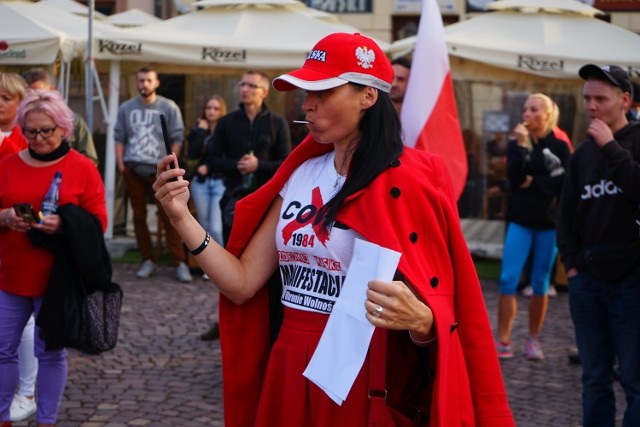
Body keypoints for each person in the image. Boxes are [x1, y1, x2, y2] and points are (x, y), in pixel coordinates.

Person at [154, 32, 514, 426]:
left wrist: (424, 323)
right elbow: (241, 283)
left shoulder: (413, 181)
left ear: (368, 96)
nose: (307, 103)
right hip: (288, 359)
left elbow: (445, 304)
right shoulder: (300, 173)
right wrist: (181, 217)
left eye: (322, 91)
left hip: (363, 374)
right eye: (305, 91)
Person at [0, 89, 107, 427]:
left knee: (50, 353)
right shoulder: (7, 164)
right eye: (30, 131)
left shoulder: (82, 167)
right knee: (2, 352)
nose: (39, 138)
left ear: (63, 127)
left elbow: (100, 221)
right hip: (10, 275)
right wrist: (4, 218)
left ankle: (46, 420)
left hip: (56, 280)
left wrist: (66, 223)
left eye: (46, 130)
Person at [557, 64, 640, 427]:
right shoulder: (582, 153)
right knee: (594, 378)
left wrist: (610, 147)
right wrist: (572, 265)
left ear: (625, 100)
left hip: (632, 282)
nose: (591, 106)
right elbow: (566, 214)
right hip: (588, 281)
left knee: (635, 380)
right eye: (587, 98)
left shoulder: (632, 141)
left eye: (600, 99)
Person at [495, 93, 570, 361]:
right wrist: (523, 147)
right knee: (508, 279)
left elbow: (563, 182)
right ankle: (503, 339)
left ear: (547, 115)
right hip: (520, 221)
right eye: (525, 109)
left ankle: (533, 339)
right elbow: (515, 179)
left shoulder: (560, 145)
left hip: (548, 224)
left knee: (541, 282)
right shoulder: (518, 141)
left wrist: (535, 181)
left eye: (533, 109)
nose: (526, 114)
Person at [114, 65, 192, 282]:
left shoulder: (169, 106)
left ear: (156, 83)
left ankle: (180, 262)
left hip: (161, 172)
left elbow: (177, 137)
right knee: (138, 217)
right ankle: (147, 260)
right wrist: (121, 163)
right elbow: (119, 136)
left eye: (148, 80)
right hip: (133, 169)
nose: (144, 84)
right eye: (140, 80)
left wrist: (170, 165)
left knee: (171, 216)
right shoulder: (126, 108)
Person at [206, 69, 291, 243]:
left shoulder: (277, 123)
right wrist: (237, 165)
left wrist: (258, 166)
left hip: (265, 199)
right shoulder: (226, 122)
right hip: (233, 198)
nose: (245, 89)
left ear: (264, 92)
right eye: (243, 84)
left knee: (261, 255)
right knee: (232, 253)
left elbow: (286, 164)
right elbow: (212, 161)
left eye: (252, 85)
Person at [185, 95, 228, 341]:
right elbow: (192, 153)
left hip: (218, 180)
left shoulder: (225, 130)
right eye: (208, 107)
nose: (211, 111)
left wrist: (210, 167)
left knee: (216, 226)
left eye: (215, 107)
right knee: (202, 226)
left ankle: (218, 267)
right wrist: (200, 132)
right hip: (201, 183)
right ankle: (206, 266)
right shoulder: (200, 130)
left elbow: (219, 156)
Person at [22, 68, 99, 166]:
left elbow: (90, 160)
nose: (34, 98)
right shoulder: (18, 122)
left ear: (52, 90)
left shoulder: (73, 120)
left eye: (39, 92)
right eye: (28, 94)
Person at [0, 73, 28, 159]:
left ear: (21, 103)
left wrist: (3, 143)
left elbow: (27, 165)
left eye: (6, 98)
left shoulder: (30, 134)